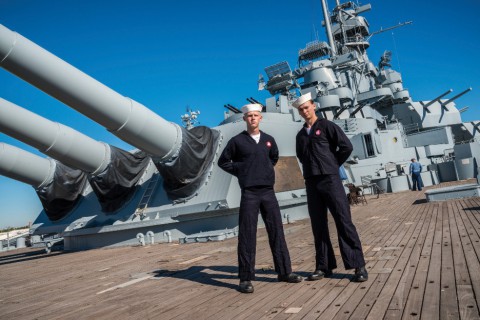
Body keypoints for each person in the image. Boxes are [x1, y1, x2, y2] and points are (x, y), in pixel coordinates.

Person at [218, 103, 302, 293]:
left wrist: (263, 170)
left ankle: (284, 271)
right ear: (245, 119)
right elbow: (223, 161)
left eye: (256, 115)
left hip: (268, 192)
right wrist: (242, 170)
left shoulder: (268, 140)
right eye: (250, 116)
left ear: (260, 118)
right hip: (249, 193)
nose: (253, 118)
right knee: (247, 234)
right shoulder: (237, 141)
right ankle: (245, 278)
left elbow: (274, 157)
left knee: (277, 231)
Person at [292, 92, 368, 282]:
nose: (304, 111)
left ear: (313, 106)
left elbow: (346, 147)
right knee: (318, 225)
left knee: (343, 220)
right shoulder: (301, 135)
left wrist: (332, 165)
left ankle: (358, 265)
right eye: (301, 109)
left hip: (330, 180)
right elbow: (301, 156)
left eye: (306, 107)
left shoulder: (327, 127)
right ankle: (323, 266)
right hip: (312, 182)